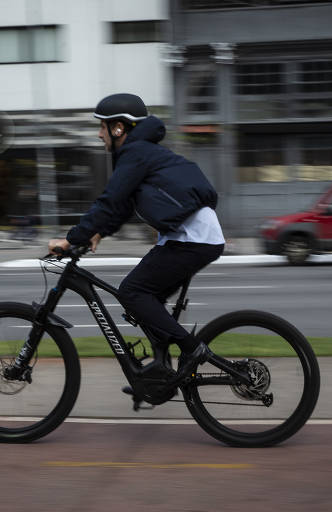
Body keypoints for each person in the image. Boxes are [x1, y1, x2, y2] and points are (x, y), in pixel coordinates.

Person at [49, 93, 225, 376]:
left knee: (132, 292)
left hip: (193, 239)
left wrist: (71, 239)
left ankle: (193, 350)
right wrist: (98, 232)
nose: (98, 134)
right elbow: (122, 206)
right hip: (191, 238)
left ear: (118, 128)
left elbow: (109, 200)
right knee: (146, 303)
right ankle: (159, 371)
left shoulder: (135, 153)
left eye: (101, 126)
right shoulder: (140, 153)